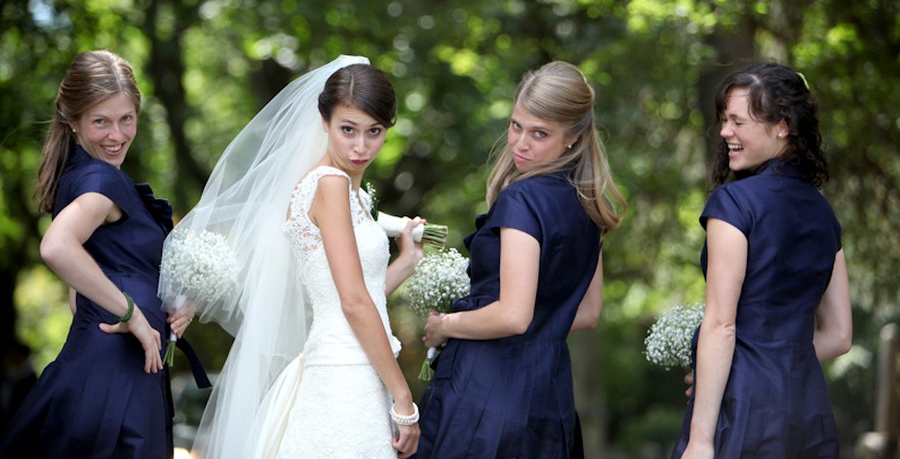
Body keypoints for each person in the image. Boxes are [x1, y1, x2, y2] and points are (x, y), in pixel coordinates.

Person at [166, 55, 423, 458]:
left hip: (348, 366)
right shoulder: (331, 186)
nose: (361, 146)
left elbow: (347, 294)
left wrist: (405, 262)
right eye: (348, 130)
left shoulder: (341, 190)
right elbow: (353, 302)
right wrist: (404, 400)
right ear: (324, 122)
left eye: (374, 131)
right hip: (346, 375)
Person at [414, 60, 626, 458]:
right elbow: (588, 313)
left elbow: (513, 315)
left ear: (574, 138)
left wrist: (446, 325)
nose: (520, 143)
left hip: (486, 390)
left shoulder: (522, 200)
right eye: (516, 125)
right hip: (548, 393)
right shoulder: (589, 204)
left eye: (540, 133)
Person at [0, 50, 197, 458]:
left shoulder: (82, 176)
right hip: (116, 372)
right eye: (100, 121)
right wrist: (134, 314)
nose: (117, 134)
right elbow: (56, 247)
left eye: (127, 118)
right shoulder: (101, 182)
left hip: (117, 365)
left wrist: (172, 305)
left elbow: (80, 294)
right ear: (72, 122)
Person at [671, 63, 852, 458]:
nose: (724, 132)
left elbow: (720, 324)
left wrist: (701, 440)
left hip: (743, 411)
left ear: (782, 125)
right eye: (723, 120)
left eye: (737, 121)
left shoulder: (733, 204)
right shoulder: (823, 213)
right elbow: (839, 337)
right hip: (807, 408)